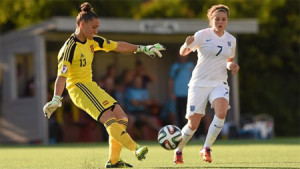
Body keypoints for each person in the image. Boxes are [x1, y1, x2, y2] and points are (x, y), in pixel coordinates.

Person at [43, 2, 165, 168]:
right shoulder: (69, 48)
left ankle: (114, 161)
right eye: (93, 27)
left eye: (97, 27)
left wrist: (143, 48)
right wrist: (56, 99)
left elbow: (118, 46)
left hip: (91, 87)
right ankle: (135, 148)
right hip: (79, 89)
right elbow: (61, 76)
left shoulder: (94, 40)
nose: (96, 31)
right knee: (108, 117)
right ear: (81, 24)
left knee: (122, 117)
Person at [173, 4, 240, 164]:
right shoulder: (202, 35)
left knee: (222, 112)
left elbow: (228, 61)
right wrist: (185, 44)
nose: (220, 21)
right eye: (217, 18)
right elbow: (184, 52)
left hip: (219, 82)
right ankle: (179, 149)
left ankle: (206, 148)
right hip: (199, 83)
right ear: (211, 19)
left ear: (227, 21)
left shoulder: (231, 40)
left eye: (223, 19)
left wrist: (231, 66)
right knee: (192, 124)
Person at [169, 54, 195, 128]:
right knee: (179, 114)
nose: (183, 57)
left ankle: (191, 133)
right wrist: (171, 93)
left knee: (190, 114)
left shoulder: (191, 65)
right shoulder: (175, 67)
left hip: (189, 94)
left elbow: (195, 78)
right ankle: (180, 132)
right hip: (178, 94)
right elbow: (171, 80)